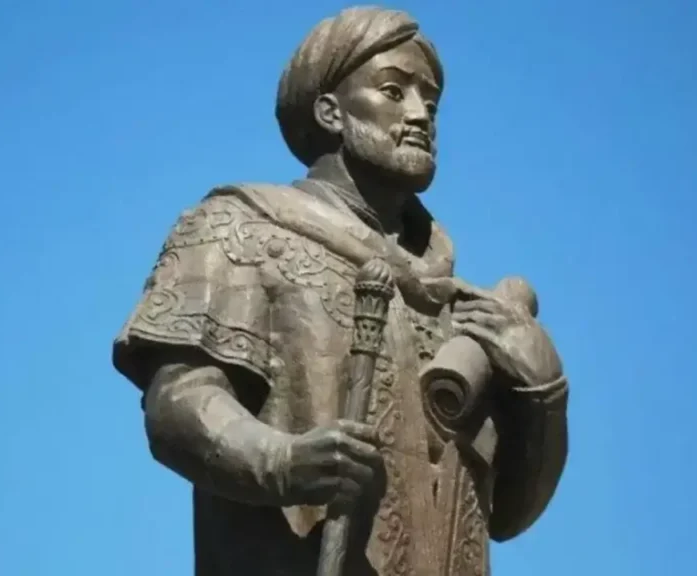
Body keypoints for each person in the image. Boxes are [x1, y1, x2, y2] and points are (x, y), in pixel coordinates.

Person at [112, 6, 568, 575]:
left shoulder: (467, 317)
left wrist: (544, 393)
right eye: (394, 91)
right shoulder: (240, 230)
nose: (420, 114)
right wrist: (284, 462)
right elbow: (178, 404)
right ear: (330, 111)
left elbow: (508, 514)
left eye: (430, 103)